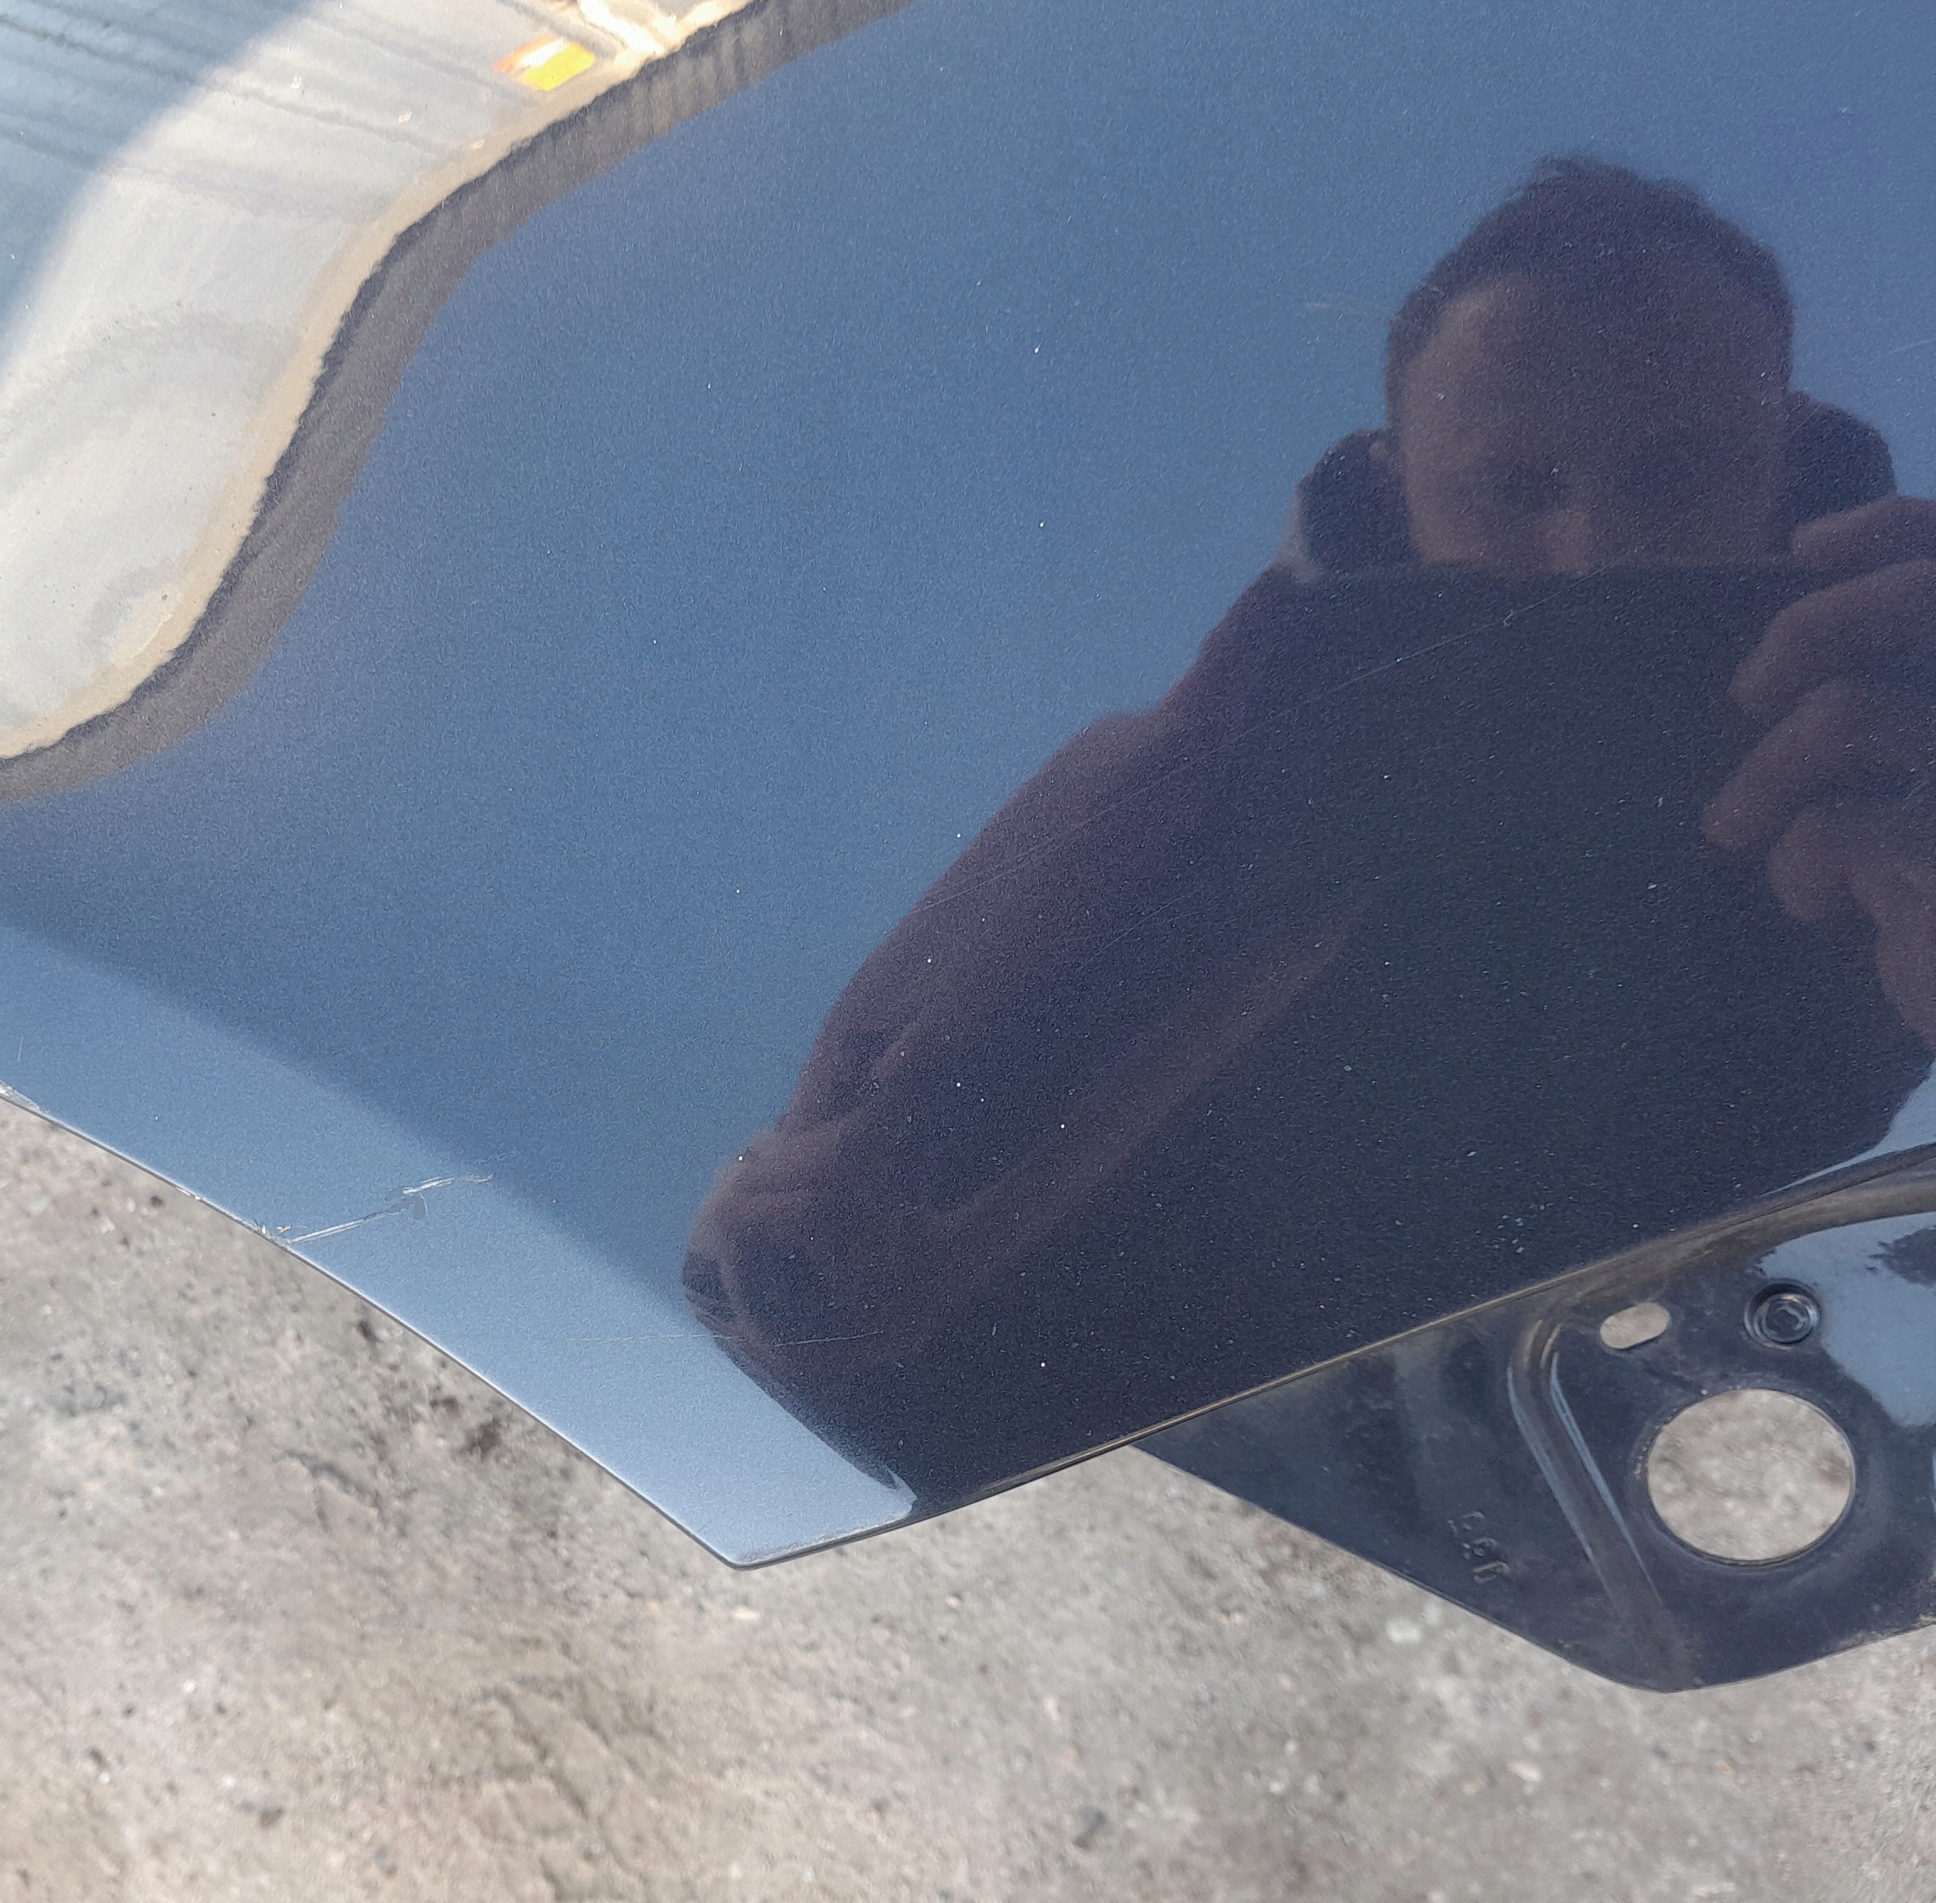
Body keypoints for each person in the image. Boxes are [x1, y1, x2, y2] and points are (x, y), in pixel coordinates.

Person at [685, 159, 1936, 1494]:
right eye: (1513, 488)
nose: (1594, 549)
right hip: (1135, 1493)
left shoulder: (1881, 763)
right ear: (1396, 491)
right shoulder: (1164, 806)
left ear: (1785, 456)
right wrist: (788, 1274)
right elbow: (829, 1241)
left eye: (1675, 474)